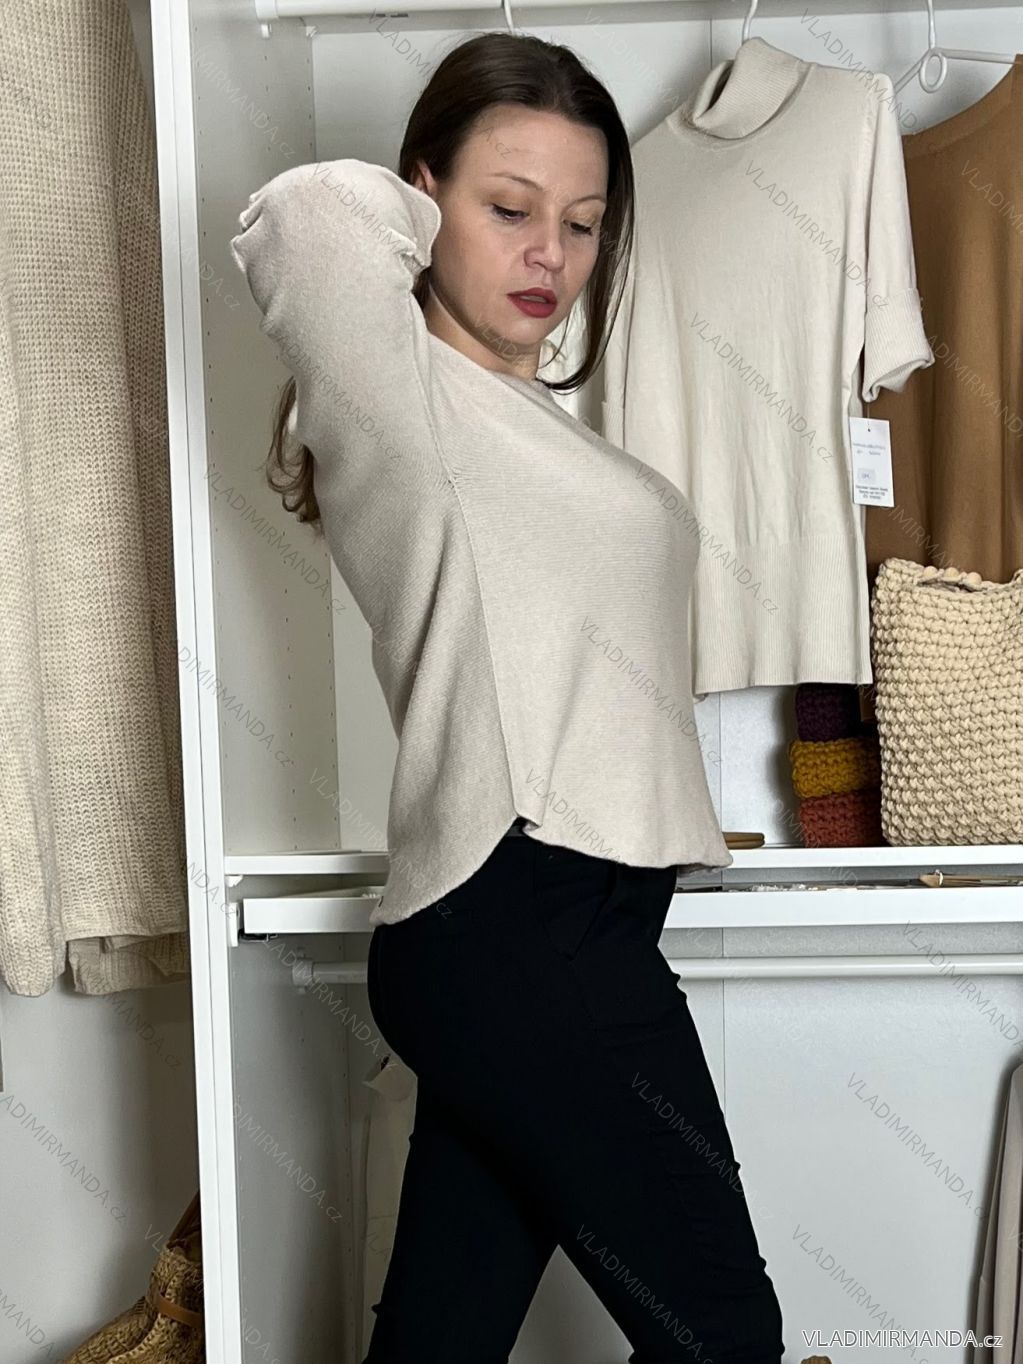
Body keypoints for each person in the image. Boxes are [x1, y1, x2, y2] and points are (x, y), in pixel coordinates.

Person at [231, 30, 784, 1364]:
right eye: (509, 209)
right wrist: (421, 224)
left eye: (583, 224)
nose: (551, 254)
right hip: (523, 914)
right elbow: (300, 217)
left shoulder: (523, 421)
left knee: (444, 1340)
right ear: (427, 195)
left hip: (546, 931)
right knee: (723, 1334)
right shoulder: (397, 391)